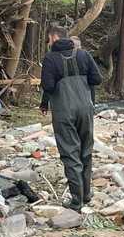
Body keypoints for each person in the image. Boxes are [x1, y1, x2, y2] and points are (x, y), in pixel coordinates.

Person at [40, 26, 102, 210]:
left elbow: (48, 86)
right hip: (85, 108)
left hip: (64, 110)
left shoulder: (50, 58)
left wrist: (45, 103)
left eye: (49, 39)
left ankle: (77, 200)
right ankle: (87, 194)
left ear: (54, 37)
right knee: (86, 150)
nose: (48, 42)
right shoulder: (83, 55)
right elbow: (97, 79)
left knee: (70, 152)